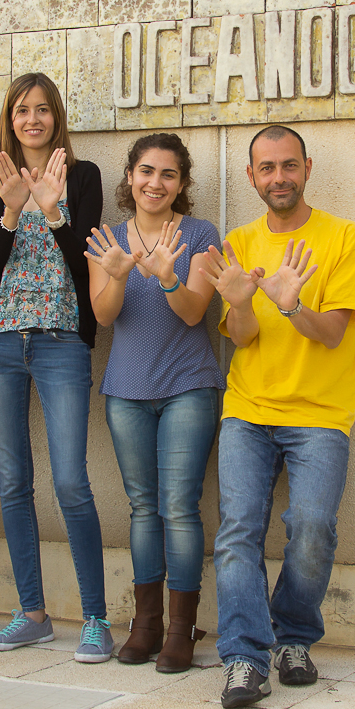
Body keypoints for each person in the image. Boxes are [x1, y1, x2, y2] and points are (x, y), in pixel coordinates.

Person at [199, 125, 355, 709]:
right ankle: (245, 659)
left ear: (307, 167)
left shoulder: (345, 238)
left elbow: (331, 335)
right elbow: (243, 339)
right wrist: (240, 302)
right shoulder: (239, 242)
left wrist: (292, 303)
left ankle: (294, 638)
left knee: (311, 528)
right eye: (266, 168)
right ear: (251, 177)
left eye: (288, 165)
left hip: (321, 415)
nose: (279, 177)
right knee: (237, 532)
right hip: (247, 410)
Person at [0, 73, 111, 663]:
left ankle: (96, 620)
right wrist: (8, 211)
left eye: (43, 109)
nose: (32, 119)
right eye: (21, 110)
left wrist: (54, 211)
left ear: (57, 116)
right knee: (12, 481)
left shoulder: (83, 177)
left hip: (60, 343)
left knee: (71, 482)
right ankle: (31, 613)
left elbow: (88, 263)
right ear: (9, 118)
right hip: (1, 342)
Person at [87, 133, 223, 672]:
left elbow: (193, 313)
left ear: (182, 185)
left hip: (189, 385)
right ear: (130, 177)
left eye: (168, 175)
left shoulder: (201, 234)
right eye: (146, 171)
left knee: (178, 508)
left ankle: (181, 628)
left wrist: (167, 276)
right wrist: (120, 275)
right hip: (126, 390)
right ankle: (144, 624)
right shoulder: (108, 240)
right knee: (143, 507)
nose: (155, 183)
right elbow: (103, 316)